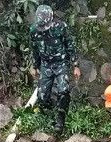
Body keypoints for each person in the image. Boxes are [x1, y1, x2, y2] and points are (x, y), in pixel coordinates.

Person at [30, 4, 80, 134]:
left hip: (61, 63)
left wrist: (76, 65)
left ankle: (60, 121)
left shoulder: (60, 27)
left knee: (63, 91)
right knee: (42, 96)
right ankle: (47, 113)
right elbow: (35, 49)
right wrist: (35, 66)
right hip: (45, 64)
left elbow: (70, 44)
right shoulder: (34, 30)